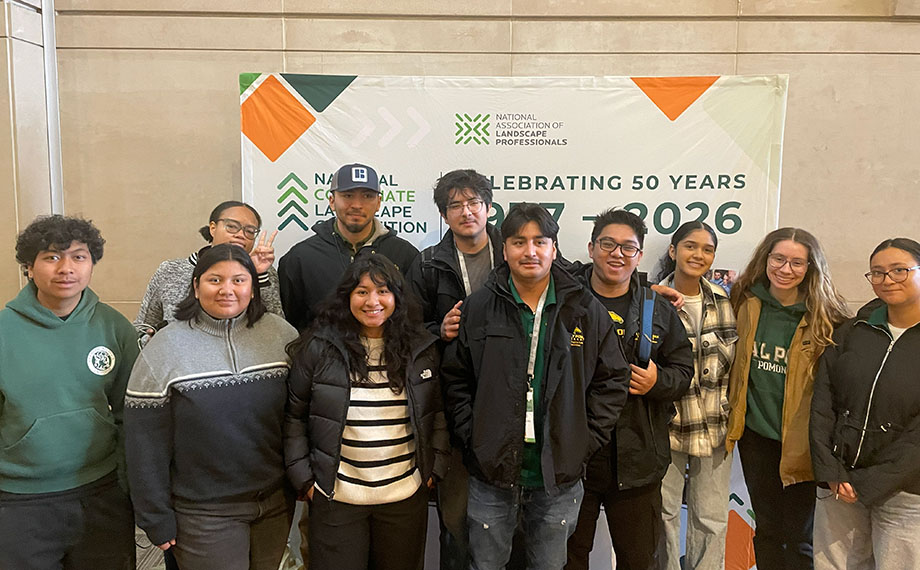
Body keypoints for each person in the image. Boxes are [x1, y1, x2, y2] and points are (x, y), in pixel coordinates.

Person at [441, 202, 630, 570]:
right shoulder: (479, 307)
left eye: (540, 241)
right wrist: (473, 436)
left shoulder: (584, 309)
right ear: (505, 248)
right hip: (490, 472)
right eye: (518, 242)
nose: (530, 252)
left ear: (554, 249)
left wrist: (583, 439)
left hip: (557, 475)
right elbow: (456, 379)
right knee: (485, 565)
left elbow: (612, 380)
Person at [125, 243, 299, 570]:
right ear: (195, 286)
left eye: (239, 280)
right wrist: (154, 515)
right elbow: (144, 444)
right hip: (204, 513)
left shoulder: (282, 336)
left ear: (253, 286)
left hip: (274, 504)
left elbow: (297, 418)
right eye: (215, 280)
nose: (227, 290)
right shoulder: (164, 347)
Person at [284, 254, 448, 570]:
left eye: (383, 291)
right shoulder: (319, 348)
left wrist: (433, 471)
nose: (372, 301)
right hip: (337, 498)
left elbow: (436, 414)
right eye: (361, 291)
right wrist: (304, 479)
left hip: (404, 496)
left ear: (397, 298)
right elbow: (294, 417)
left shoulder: (420, 349)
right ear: (347, 297)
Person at [0, 215, 139, 569]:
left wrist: (123, 481)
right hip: (19, 502)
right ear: (29, 268)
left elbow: (132, 414)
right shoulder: (4, 332)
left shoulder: (114, 327)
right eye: (51, 257)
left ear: (92, 264)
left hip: (102, 492)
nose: (66, 268)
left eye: (78, 256)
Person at [565, 209, 694, 570]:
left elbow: (684, 371)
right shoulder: (565, 302)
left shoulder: (657, 308)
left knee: (638, 560)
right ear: (591, 248)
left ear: (638, 256)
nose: (616, 253)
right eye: (607, 243)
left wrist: (658, 382)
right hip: (575, 460)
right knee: (567, 559)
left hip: (638, 458)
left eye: (628, 247)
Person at [726, 227, 849, 570]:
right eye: (778, 258)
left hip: (802, 442)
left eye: (797, 262)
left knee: (798, 537)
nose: (785, 268)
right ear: (765, 259)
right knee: (765, 529)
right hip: (756, 438)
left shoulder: (828, 317)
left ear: (811, 267)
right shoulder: (744, 301)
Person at [406, 168, 503, 570]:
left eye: (474, 202)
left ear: (489, 207)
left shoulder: (516, 249)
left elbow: (572, 285)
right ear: (444, 215)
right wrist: (438, 331)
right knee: (457, 519)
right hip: (452, 402)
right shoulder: (428, 264)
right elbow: (406, 330)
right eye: (455, 205)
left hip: (509, 396)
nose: (466, 211)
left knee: (511, 521)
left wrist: (644, 286)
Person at [811, 237, 920, 569]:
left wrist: (870, 482)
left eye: (899, 270)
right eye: (877, 272)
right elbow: (824, 399)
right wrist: (830, 470)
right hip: (840, 483)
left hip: (906, 491)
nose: (887, 280)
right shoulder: (853, 329)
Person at [654, 221, 738, 570]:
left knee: (712, 517)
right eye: (690, 246)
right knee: (664, 514)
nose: (698, 254)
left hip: (714, 424)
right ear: (673, 251)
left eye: (707, 249)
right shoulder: (651, 298)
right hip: (665, 426)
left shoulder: (724, 301)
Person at [279, 163, 419, 332]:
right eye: (348, 195)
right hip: (321, 356)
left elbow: (413, 320)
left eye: (367, 196)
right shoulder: (300, 257)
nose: (357, 205)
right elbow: (291, 324)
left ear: (378, 203)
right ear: (332, 201)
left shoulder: (405, 254)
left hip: (390, 355)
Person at [135, 200, 283, 330]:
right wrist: (151, 338)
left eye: (250, 231)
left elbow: (276, 326)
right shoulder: (170, 270)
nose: (240, 234)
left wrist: (257, 275)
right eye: (232, 226)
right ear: (213, 228)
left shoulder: (264, 272)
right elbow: (144, 325)